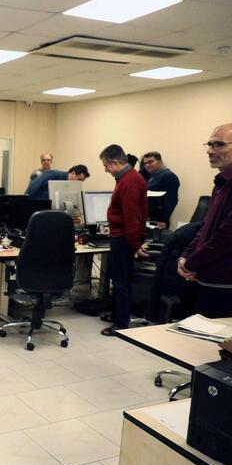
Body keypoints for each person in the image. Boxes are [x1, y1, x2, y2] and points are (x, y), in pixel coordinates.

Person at [177, 123, 232, 317]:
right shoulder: (222, 182)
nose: (210, 151)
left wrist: (191, 263)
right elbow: (206, 226)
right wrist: (186, 256)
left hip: (230, 284)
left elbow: (229, 236)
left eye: (219, 145)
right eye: (210, 145)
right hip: (210, 278)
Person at [99, 144, 148, 336]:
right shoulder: (127, 178)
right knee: (118, 279)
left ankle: (120, 324)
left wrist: (135, 244)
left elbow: (131, 215)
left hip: (123, 239)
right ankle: (117, 314)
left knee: (121, 282)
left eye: (106, 165)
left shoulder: (129, 181)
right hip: (121, 236)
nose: (106, 170)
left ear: (114, 162)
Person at [141, 151, 180, 229]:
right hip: (151, 219)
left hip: (159, 222)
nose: (147, 165)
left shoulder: (168, 176)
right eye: (145, 163)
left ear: (159, 161)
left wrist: (163, 220)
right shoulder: (153, 176)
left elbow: (171, 201)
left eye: (150, 162)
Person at [25, 164, 90, 200]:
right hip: (35, 207)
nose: (79, 183)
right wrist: (24, 202)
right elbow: (32, 187)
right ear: (73, 173)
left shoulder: (69, 186)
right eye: (79, 179)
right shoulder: (54, 174)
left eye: (81, 181)